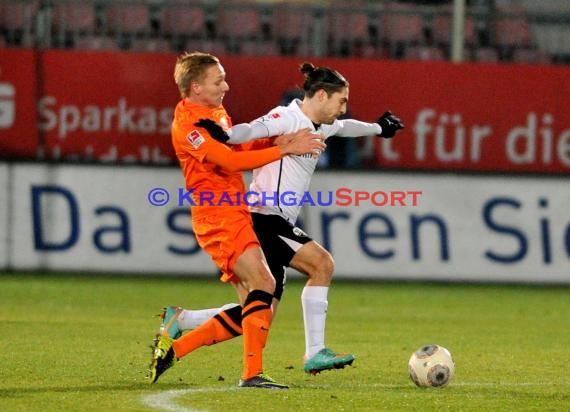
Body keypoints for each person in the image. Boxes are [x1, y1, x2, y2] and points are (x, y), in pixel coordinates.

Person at [156, 62, 404, 375]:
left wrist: (379, 128)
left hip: (274, 220)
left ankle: (181, 325)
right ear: (322, 96)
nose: (343, 109)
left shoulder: (321, 124)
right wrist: (228, 135)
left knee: (258, 312)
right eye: (341, 101)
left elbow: (345, 128)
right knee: (322, 264)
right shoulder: (287, 117)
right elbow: (254, 128)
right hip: (265, 218)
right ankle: (313, 353)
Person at [148, 52, 326, 389]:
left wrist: (271, 140)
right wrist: (283, 150)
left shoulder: (215, 112)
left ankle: (177, 344)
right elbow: (229, 162)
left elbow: (238, 152)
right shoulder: (190, 125)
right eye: (219, 81)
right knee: (264, 284)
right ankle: (251, 374)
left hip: (234, 210)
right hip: (217, 216)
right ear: (196, 86)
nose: (226, 86)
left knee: (255, 310)